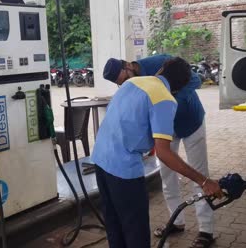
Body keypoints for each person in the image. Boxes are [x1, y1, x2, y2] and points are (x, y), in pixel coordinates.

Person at [92, 56, 223, 248]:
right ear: (177, 87)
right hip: (124, 169)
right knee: (135, 230)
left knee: (114, 223)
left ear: (161, 70)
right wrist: (204, 181)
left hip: (101, 160)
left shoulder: (134, 83)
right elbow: (163, 153)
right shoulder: (164, 98)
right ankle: (176, 223)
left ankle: (205, 230)